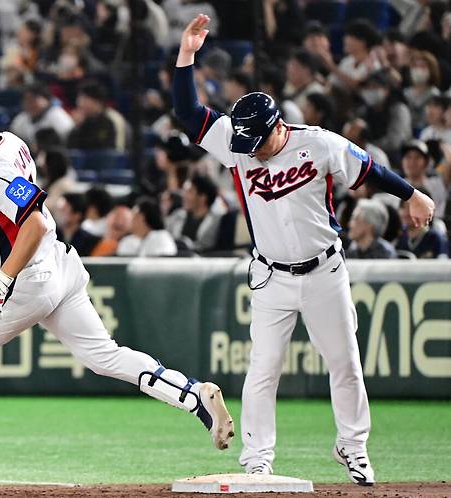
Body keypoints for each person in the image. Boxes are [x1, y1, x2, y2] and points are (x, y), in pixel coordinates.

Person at [172, 14, 435, 486]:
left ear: (278, 126)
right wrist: (186, 56)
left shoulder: (318, 144)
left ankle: (352, 446)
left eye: (256, 141)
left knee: (345, 362)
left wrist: (410, 193)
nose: (250, 150)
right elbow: (188, 115)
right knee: (263, 368)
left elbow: (369, 170)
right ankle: (257, 459)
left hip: (324, 272)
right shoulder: (238, 143)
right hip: (271, 276)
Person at [0, 87, 234, 478]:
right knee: (105, 356)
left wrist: (2, 280)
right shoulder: (9, 142)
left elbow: (33, 224)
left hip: (27, 278)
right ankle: (193, 395)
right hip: (58, 266)